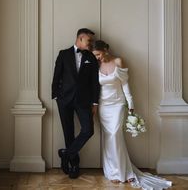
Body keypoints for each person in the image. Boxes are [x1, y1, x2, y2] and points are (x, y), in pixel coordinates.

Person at [92, 40, 172, 189]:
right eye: (94, 55)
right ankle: (113, 171)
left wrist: (131, 105)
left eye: (98, 54)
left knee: (115, 134)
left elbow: (125, 84)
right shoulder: (96, 65)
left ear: (105, 50)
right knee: (108, 137)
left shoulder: (118, 61)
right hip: (103, 105)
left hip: (117, 105)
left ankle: (124, 171)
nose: (97, 57)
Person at [52, 28, 100, 179]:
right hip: (64, 100)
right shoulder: (63, 54)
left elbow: (94, 81)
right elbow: (56, 75)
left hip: (83, 101)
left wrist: (94, 103)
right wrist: (56, 96)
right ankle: (74, 164)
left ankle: (66, 154)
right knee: (68, 133)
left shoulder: (91, 57)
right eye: (89, 40)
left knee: (88, 130)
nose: (91, 43)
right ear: (80, 39)